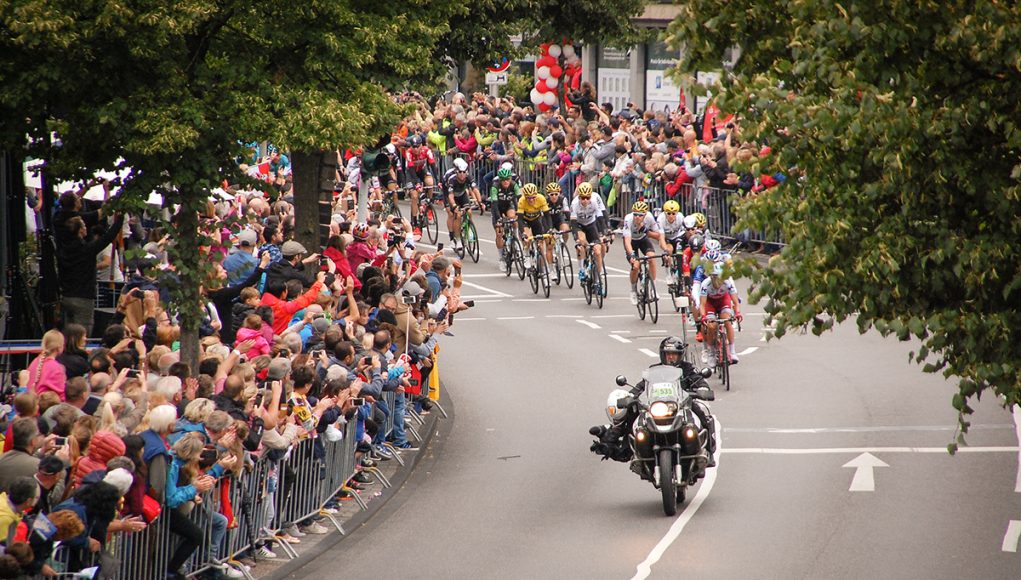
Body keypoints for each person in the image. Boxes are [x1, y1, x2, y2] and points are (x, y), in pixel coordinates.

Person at [589, 337, 717, 468]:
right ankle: (618, 444)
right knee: (633, 413)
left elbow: (699, 380)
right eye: (668, 354)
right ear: (663, 355)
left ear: (680, 355)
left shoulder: (688, 369)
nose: (671, 358)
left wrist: (703, 389)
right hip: (657, 406)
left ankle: (709, 451)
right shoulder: (654, 370)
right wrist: (632, 395)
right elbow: (642, 386)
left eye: (674, 354)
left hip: (682, 405)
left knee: (702, 414)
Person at [56, 213, 126, 334]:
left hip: (66, 295)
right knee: (83, 332)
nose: (86, 228)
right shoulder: (86, 250)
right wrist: (119, 220)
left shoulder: (62, 249)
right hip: (83, 296)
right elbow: (107, 238)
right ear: (79, 231)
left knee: (67, 332)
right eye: (83, 226)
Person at [699, 258, 743, 365]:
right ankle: (711, 352)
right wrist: (704, 316)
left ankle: (732, 351)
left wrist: (737, 313)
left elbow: (736, 302)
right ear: (712, 277)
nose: (718, 281)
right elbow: (702, 304)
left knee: (727, 320)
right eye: (716, 278)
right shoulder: (705, 284)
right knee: (711, 326)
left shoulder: (728, 283)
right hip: (710, 303)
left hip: (723, 300)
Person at [622, 201, 662, 305]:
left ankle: (653, 289)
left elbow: (658, 236)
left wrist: (646, 231)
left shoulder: (649, 217)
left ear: (645, 215)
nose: (637, 217)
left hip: (643, 239)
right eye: (635, 214)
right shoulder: (628, 219)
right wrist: (631, 254)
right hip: (631, 242)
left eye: (640, 215)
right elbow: (627, 241)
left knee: (651, 258)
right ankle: (633, 290)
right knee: (635, 266)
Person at [443, 158, 482, 250]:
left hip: (461, 193)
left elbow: (475, 189)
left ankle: (467, 228)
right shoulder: (451, 178)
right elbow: (450, 196)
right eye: (460, 172)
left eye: (464, 172)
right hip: (449, 195)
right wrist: (454, 206)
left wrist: (480, 202)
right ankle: (455, 238)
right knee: (455, 215)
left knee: (469, 211)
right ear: (456, 171)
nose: (462, 174)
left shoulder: (468, 177)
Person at [517, 183, 553, 272]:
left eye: (533, 197)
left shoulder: (541, 198)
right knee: (528, 237)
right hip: (525, 221)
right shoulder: (522, 201)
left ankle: (543, 269)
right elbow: (520, 220)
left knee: (540, 243)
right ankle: (526, 255)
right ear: (525, 197)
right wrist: (523, 233)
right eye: (528, 198)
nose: (531, 200)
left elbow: (547, 216)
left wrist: (549, 229)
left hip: (536, 220)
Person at [24, 330, 67, 401]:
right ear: (59, 347)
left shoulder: (35, 361)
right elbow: (62, 397)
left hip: (30, 406)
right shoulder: (56, 367)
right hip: (45, 408)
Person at [489, 167, 520, 261]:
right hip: (497, 207)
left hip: (508, 205)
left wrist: (520, 213)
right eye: (503, 180)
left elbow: (519, 199)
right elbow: (494, 205)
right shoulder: (495, 187)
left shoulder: (514, 185)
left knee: (514, 218)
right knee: (499, 233)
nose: (506, 181)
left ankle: (515, 238)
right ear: (500, 180)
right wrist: (498, 218)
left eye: (508, 179)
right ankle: (501, 257)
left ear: (511, 178)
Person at [657, 200, 687, 287]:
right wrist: (665, 250)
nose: (671, 216)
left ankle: (680, 272)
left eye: (673, 213)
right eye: (668, 213)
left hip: (678, 237)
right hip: (667, 239)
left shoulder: (681, 217)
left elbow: (685, 232)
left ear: (677, 213)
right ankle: (668, 274)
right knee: (669, 251)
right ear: (665, 213)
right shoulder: (660, 219)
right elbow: (661, 237)